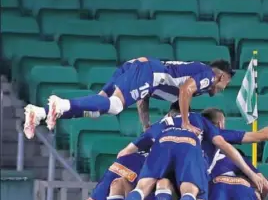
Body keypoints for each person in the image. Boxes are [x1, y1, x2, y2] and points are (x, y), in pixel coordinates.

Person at [98, 111, 264, 200]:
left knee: (141, 189)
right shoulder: (200, 122)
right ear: (219, 123)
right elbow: (228, 145)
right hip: (189, 149)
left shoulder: (163, 123)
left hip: (162, 146)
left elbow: (124, 153)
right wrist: (251, 174)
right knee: (193, 194)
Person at [23, 58, 234, 139]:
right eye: (226, 84)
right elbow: (185, 91)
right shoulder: (209, 75)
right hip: (147, 70)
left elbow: (143, 96)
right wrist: (186, 122)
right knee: (115, 106)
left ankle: (39, 112)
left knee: (99, 106)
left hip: (138, 68)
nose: (223, 88)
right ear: (222, 76)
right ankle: (60, 103)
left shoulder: (188, 80)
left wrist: (146, 125)